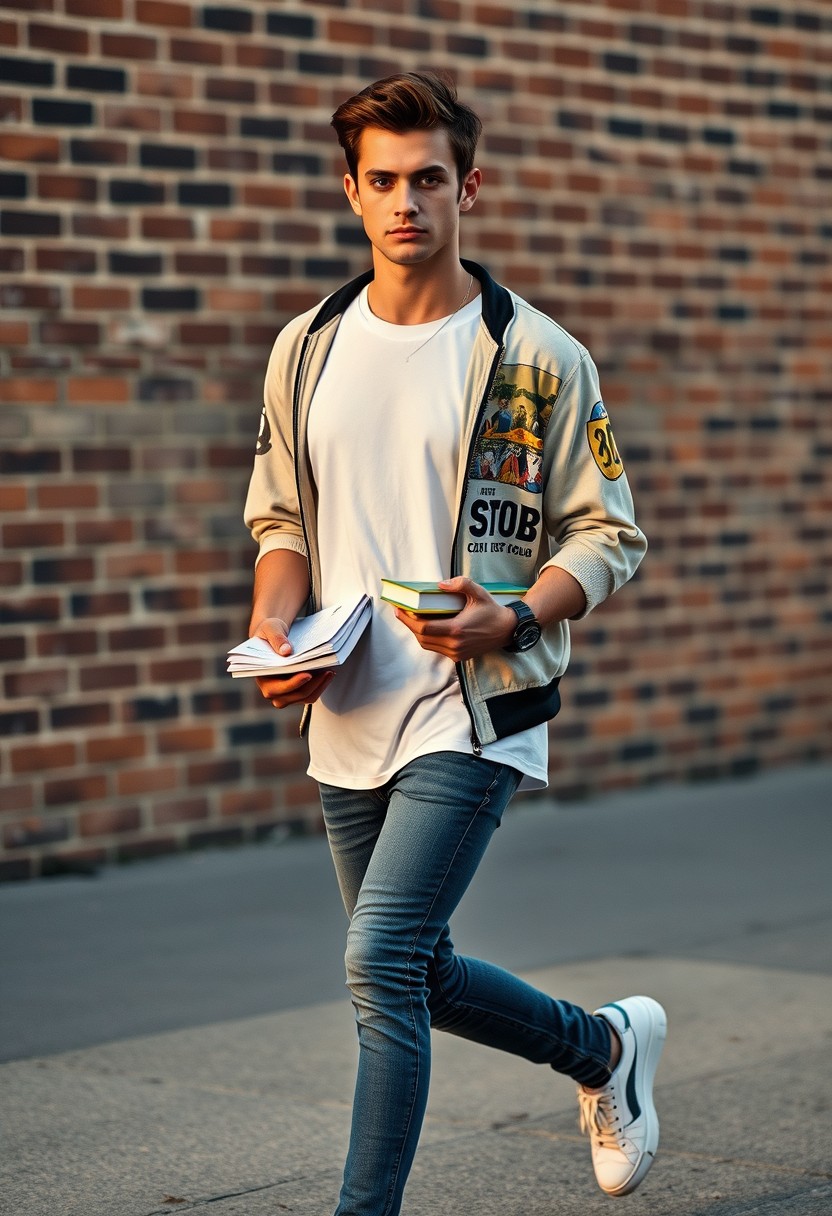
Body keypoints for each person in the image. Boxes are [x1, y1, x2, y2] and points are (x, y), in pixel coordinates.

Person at [243, 71, 665, 1216]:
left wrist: (518, 612)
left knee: (378, 964)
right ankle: (601, 1050)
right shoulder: (308, 346)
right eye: (380, 181)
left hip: (472, 707)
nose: (405, 203)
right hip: (346, 710)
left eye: (428, 178)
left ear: (466, 186)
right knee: (413, 968)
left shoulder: (534, 353)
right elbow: (281, 516)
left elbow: (609, 530)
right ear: (350, 191)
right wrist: (272, 631)